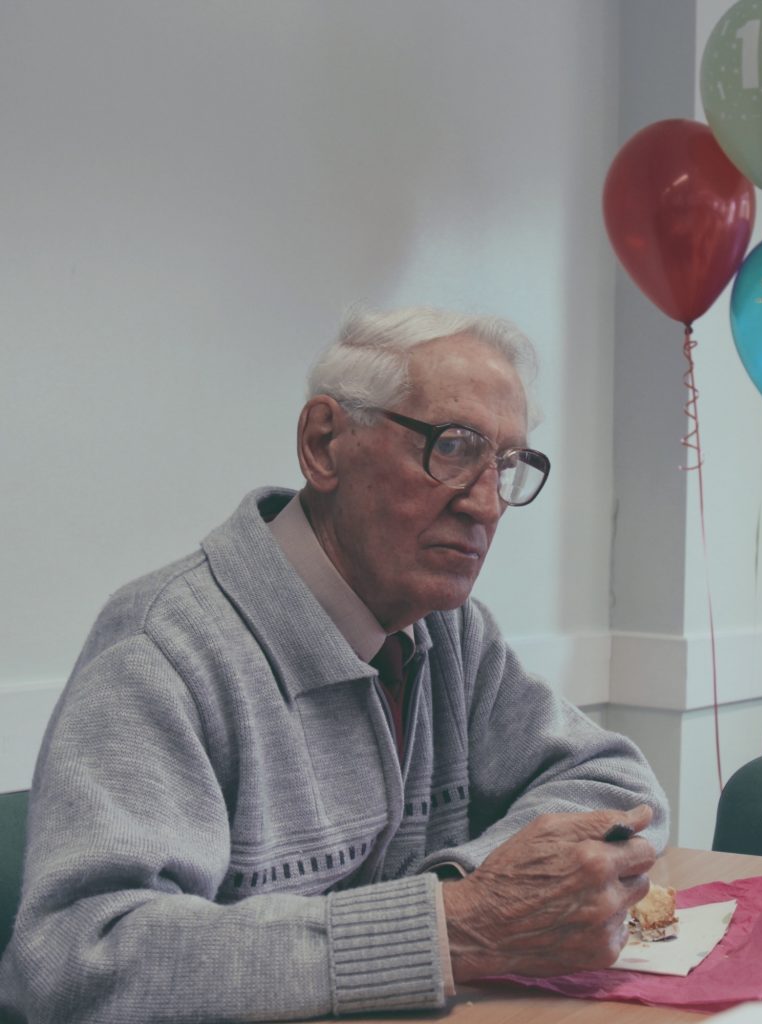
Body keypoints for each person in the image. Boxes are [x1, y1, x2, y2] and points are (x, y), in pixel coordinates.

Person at [0, 306, 668, 1023]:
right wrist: (452, 925)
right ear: (324, 445)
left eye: (505, 466)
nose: (486, 505)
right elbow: (78, 958)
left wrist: (462, 888)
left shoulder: (448, 630)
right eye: (454, 447)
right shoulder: (162, 649)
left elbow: (615, 781)